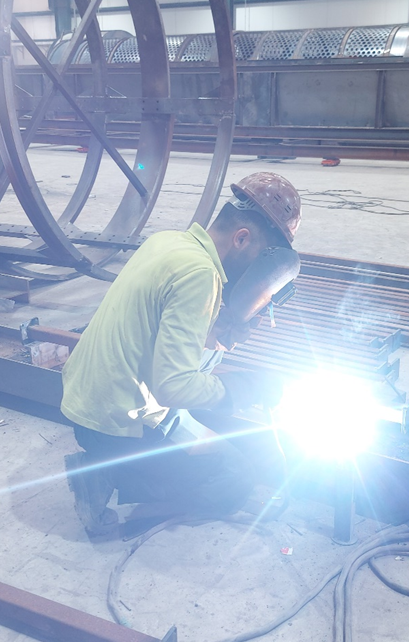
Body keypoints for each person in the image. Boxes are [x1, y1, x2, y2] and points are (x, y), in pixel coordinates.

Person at [60, 172, 302, 537]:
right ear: (241, 238)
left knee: (217, 443)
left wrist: (213, 334)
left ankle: (113, 464)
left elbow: (158, 330)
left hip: (87, 400)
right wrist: (245, 389)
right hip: (113, 424)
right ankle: (106, 477)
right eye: (260, 259)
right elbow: (174, 386)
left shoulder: (169, 241)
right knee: (233, 481)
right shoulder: (200, 274)